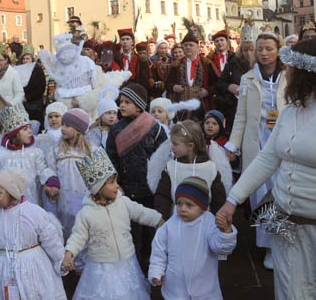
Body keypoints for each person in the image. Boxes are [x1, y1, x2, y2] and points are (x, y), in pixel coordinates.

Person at [217, 38, 316, 299]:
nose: (287, 71)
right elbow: (267, 158)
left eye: (291, 66)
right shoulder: (292, 110)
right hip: (287, 233)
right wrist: (233, 200)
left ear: (307, 73)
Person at [62, 147, 164, 300]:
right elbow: (78, 236)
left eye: (115, 181)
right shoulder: (86, 213)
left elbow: (141, 212)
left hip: (126, 262)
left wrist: (158, 220)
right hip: (101, 267)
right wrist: (69, 253)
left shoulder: (123, 203)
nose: (116, 186)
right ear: (98, 188)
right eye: (111, 183)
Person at [224, 32, 285, 269]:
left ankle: (284, 242)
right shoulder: (248, 79)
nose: (264, 53)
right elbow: (240, 116)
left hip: (282, 140)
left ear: (278, 50)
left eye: (269, 48)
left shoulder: (289, 77)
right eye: (260, 49)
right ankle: (269, 247)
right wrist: (233, 144)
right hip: (257, 140)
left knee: (282, 192)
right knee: (260, 194)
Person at [0, 167, 67, 300]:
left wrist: (61, 259)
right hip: (6, 269)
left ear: (12, 193)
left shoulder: (33, 212)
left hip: (33, 267)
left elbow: (50, 239)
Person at [106, 82, 167, 270]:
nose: (121, 106)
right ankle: (132, 267)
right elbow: (111, 158)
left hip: (149, 189)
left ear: (139, 105)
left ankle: (151, 264)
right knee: (129, 231)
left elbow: (163, 156)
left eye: (127, 102)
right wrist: (116, 182)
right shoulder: (116, 130)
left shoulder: (154, 129)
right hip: (126, 189)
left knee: (151, 229)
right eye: (121, 102)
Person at [149, 177, 237, 300]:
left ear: (202, 206)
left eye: (189, 205)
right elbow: (159, 252)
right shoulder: (169, 226)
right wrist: (156, 273)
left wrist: (225, 232)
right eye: (179, 203)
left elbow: (221, 248)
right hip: (175, 289)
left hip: (204, 289)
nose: (182, 209)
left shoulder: (210, 223)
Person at [149, 120, 227, 221]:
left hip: (204, 224)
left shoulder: (210, 168)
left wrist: (219, 220)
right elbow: (163, 196)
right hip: (177, 222)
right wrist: (162, 218)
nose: (171, 147)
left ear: (190, 146)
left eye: (175, 144)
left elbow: (218, 200)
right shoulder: (171, 167)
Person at [0, 104, 59, 207]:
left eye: (30, 128)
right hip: (8, 203)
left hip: (32, 201)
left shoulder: (35, 152)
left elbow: (42, 170)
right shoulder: (1, 154)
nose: (30, 131)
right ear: (15, 133)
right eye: (25, 129)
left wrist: (50, 179)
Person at [48, 109, 93, 243]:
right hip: (64, 199)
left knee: (83, 231)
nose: (63, 128)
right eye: (63, 125)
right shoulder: (57, 150)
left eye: (67, 126)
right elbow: (49, 169)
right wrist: (51, 180)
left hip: (84, 198)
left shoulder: (91, 150)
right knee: (67, 231)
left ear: (79, 129)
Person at [166, 30, 216, 121]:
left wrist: (207, 91)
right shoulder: (176, 65)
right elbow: (167, 83)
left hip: (202, 105)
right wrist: (174, 87)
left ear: (197, 47)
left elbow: (217, 83)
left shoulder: (206, 63)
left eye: (191, 45)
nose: (188, 47)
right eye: (185, 45)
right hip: (181, 106)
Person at [216, 30, 255, 134]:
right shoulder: (232, 65)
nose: (248, 53)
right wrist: (229, 87)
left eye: (251, 50)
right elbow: (220, 84)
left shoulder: (261, 66)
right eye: (245, 50)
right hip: (235, 108)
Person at [18, 51, 46, 126]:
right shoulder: (19, 71)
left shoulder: (37, 70)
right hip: (22, 102)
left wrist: (27, 97)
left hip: (34, 103)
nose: (25, 60)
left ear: (32, 60)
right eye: (23, 59)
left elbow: (41, 87)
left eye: (27, 58)